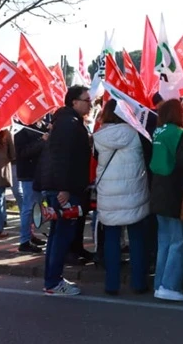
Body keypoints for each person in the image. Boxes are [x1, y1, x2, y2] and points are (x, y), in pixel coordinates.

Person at [37, 85, 94, 296]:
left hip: (59, 186)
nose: (90, 104)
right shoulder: (69, 125)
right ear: (74, 102)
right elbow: (61, 158)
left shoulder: (66, 122)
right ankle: (53, 281)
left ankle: (52, 280)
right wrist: (64, 188)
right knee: (61, 235)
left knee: (57, 234)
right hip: (63, 189)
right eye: (87, 100)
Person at [93, 100, 152, 295]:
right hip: (133, 192)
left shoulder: (98, 137)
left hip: (109, 194)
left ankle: (111, 284)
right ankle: (138, 283)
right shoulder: (136, 133)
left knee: (111, 238)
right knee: (137, 239)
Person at [149, 99, 183, 302]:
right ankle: (169, 285)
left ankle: (160, 284)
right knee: (179, 242)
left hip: (158, 191)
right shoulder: (178, 133)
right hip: (174, 193)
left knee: (164, 241)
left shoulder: (159, 131)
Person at [14, 119, 48, 253]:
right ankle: (24, 241)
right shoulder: (21, 130)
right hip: (29, 173)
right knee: (29, 207)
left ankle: (30, 234)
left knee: (36, 206)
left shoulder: (41, 125)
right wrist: (42, 141)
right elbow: (23, 152)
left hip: (39, 173)